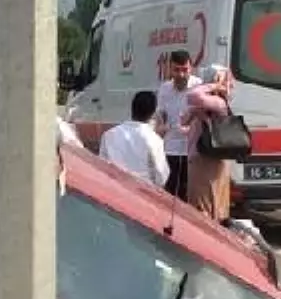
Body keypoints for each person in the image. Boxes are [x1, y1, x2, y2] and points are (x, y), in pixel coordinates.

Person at [184, 64, 238, 224]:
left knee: (203, 206)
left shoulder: (218, 102)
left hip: (207, 161)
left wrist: (215, 85)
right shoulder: (208, 103)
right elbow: (185, 121)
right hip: (202, 159)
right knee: (204, 204)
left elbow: (193, 95)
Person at [154, 50, 201, 200]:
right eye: (177, 70)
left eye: (185, 70)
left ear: (191, 68)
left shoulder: (199, 87)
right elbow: (161, 115)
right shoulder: (165, 89)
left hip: (192, 151)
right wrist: (161, 128)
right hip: (171, 149)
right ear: (170, 69)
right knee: (171, 195)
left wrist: (192, 127)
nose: (181, 75)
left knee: (190, 197)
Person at [98, 89, 170, 188]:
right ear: (153, 113)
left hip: (113, 191)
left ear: (132, 108)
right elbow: (161, 177)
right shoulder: (154, 140)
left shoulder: (109, 135)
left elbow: (101, 167)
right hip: (143, 194)